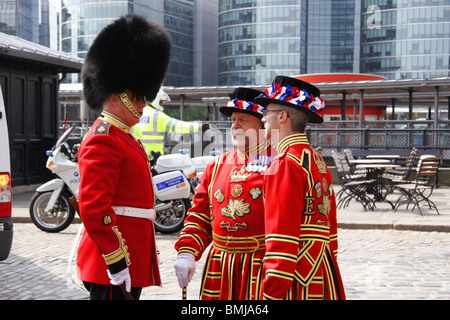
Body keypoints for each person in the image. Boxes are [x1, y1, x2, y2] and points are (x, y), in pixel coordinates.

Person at [76, 15, 171, 300]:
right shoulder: (105, 139)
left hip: (131, 258)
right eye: (138, 97)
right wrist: (116, 260)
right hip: (113, 263)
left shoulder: (124, 137)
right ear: (116, 95)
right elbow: (95, 209)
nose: (143, 104)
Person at [173, 88, 276, 300]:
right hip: (219, 268)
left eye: (243, 120)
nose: (235, 126)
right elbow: (200, 216)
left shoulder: (279, 164)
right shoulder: (216, 166)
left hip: (261, 268)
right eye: (233, 120)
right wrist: (187, 252)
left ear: (262, 124)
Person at [254, 75, 346, 300]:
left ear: (283, 116)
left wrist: (272, 291)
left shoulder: (285, 162)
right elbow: (330, 227)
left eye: (267, 113)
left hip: (295, 278)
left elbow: (281, 235)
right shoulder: (317, 160)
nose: (263, 119)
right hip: (321, 267)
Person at [132, 88, 205, 164]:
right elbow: (178, 126)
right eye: (160, 102)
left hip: (139, 156)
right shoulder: (157, 116)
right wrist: (199, 126)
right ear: (155, 100)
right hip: (155, 158)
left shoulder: (138, 112)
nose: (162, 104)